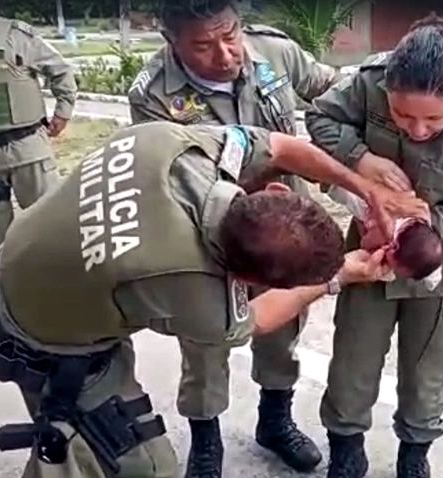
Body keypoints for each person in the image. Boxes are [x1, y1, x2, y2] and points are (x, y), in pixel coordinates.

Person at [0, 121, 428, 478]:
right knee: (139, 466)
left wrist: (364, 187)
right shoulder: (190, 286)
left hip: (32, 264)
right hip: (36, 332)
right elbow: (256, 320)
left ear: (275, 191)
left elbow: (282, 147)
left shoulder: (177, 148)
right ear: (247, 277)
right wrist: (343, 274)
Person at [127, 1, 342, 470]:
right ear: (172, 41)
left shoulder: (276, 54)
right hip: (208, 240)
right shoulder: (153, 93)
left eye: (230, 35)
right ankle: (207, 441)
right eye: (203, 46)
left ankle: (275, 420)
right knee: (205, 341)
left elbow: (340, 95)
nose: (225, 56)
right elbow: (167, 177)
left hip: (284, 231)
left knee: (283, 327)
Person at [305, 14, 443, 478]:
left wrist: (407, 217)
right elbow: (319, 116)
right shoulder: (369, 82)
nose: (417, 130)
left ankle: (414, 453)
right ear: (388, 93)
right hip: (371, 254)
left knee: (425, 371)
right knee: (352, 360)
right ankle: (346, 449)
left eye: (434, 120)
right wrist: (361, 157)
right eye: (402, 116)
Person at [0, 0, 76, 258]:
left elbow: (62, 72)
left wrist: (63, 113)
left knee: (47, 218)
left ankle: (57, 279)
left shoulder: (19, 37)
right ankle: (1, 284)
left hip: (27, 147)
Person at [327, 185, 443, 285]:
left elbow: (434, 274)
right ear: (392, 248)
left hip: (380, 189)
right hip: (356, 193)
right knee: (343, 192)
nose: (392, 269)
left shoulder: (420, 219)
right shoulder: (387, 234)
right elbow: (365, 242)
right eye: (395, 267)